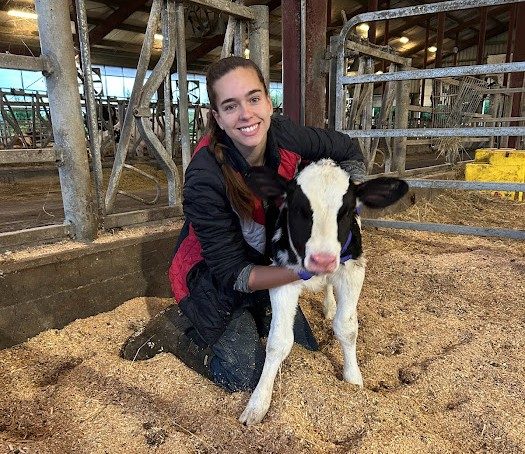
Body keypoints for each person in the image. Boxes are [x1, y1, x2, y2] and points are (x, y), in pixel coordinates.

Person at [121, 56, 366, 392]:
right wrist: (305, 270)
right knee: (243, 375)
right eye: (231, 106)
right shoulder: (204, 176)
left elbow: (349, 150)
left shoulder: (287, 135)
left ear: (268, 101)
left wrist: (343, 205)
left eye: (254, 99)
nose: (247, 114)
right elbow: (233, 272)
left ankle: (255, 313)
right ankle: (178, 333)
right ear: (218, 118)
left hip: (266, 259)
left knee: (300, 349)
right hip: (213, 275)